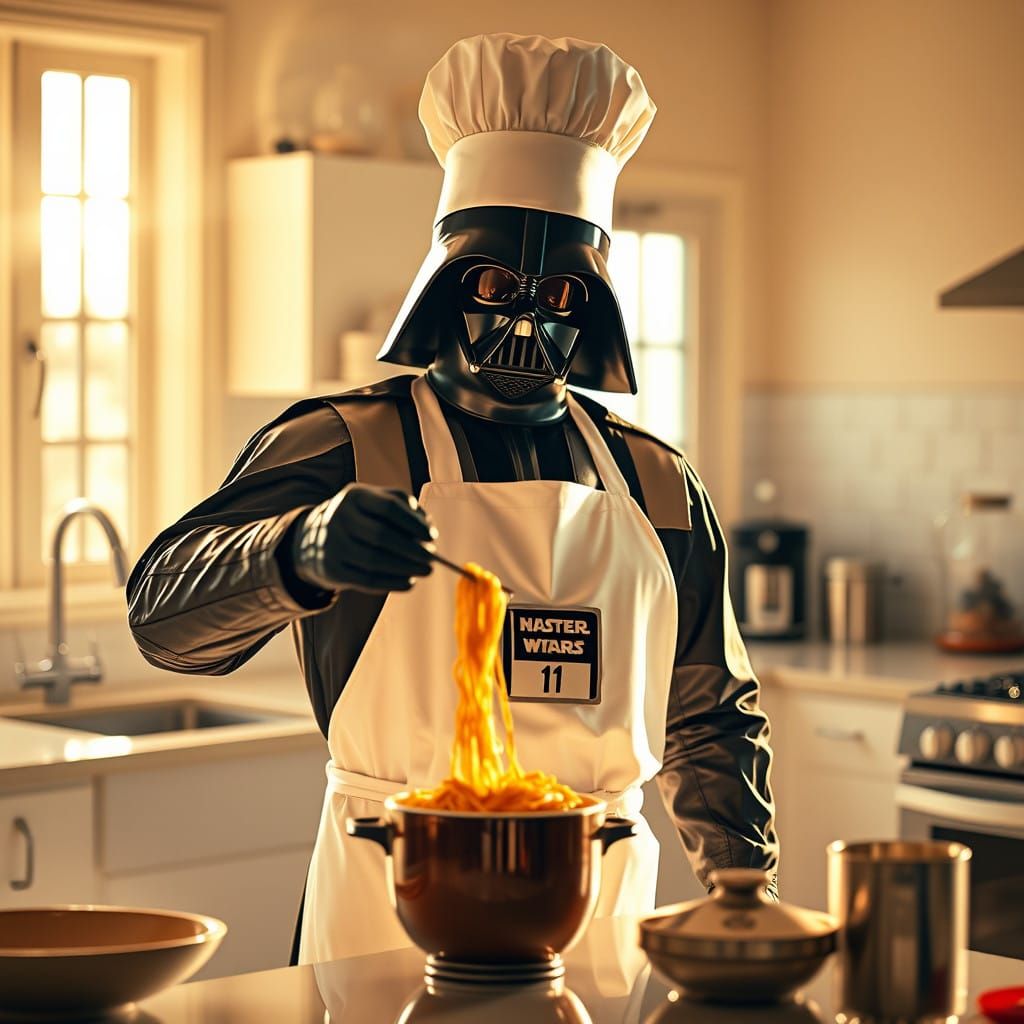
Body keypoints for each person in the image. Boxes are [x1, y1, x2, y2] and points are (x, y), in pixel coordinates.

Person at [127, 32, 779, 966]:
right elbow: (161, 616)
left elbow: (709, 712)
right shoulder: (349, 444)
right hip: (391, 901)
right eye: (491, 284)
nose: (525, 319)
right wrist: (299, 550)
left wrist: (745, 899)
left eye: (557, 291)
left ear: (593, 304)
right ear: (441, 283)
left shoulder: (658, 483)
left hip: (600, 914)